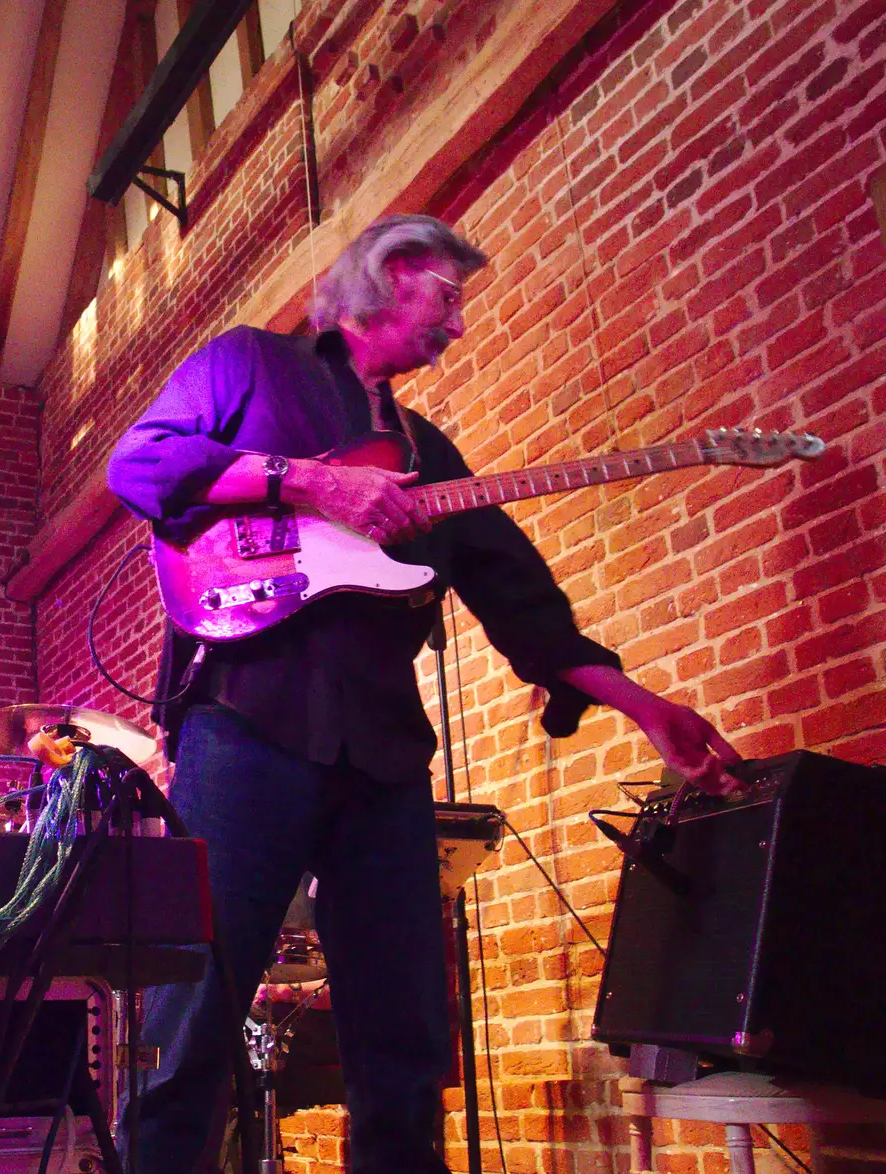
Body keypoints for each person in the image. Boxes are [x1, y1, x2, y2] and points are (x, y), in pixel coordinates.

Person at [105, 214, 741, 1174]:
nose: (457, 325)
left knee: (405, 1041)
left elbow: (522, 603)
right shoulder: (250, 366)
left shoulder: (430, 455)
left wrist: (642, 704)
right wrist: (305, 484)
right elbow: (141, 463)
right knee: (193, 1006)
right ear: (393, 275)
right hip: (246, 720)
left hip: (386, 757)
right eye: (448, 296)